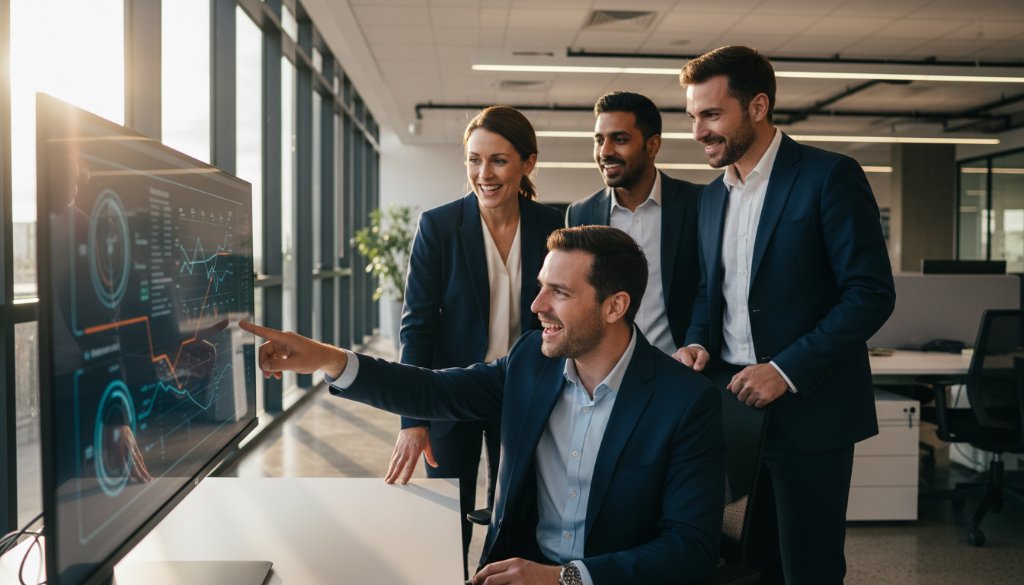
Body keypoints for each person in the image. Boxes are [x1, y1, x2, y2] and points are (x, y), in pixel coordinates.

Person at [241, 226, 724, 585]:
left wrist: (564, 579)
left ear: (615, 306)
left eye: (559, 292)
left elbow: (690, 548)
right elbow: (434, 391)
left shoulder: (685, 402)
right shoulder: (529, 363)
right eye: (540, 286)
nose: (537, 305)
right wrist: (328, 358)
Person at [675, 46, 896, 585]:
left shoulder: (828, 176)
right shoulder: (711, 199)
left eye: (711, 114)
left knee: (808, 567)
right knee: (743, 555)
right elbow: (711, 291)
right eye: (692, 117)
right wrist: (697, 340)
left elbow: (870, 293)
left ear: (757, 106)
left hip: (810, 410)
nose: (699, 131)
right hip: (733, 410)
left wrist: (786, 370)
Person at [388, 105, 564, 577]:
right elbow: (417, 327)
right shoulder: (440, 227)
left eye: (499, 161)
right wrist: (413, 417)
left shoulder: (555, 227)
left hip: (525, 392)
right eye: (473, 160)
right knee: (446, 518)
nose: (483, 174)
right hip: (455, 392)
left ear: (527, 163)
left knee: (515, 516)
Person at [567, 91, 702, 357]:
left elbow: (708, 289)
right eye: (599, 140)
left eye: (620, 139)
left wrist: (695, 344)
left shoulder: (698, 203)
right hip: (608, 368)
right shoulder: (581, 214)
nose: (605, 151)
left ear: (652, 146)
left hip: (680, 365)